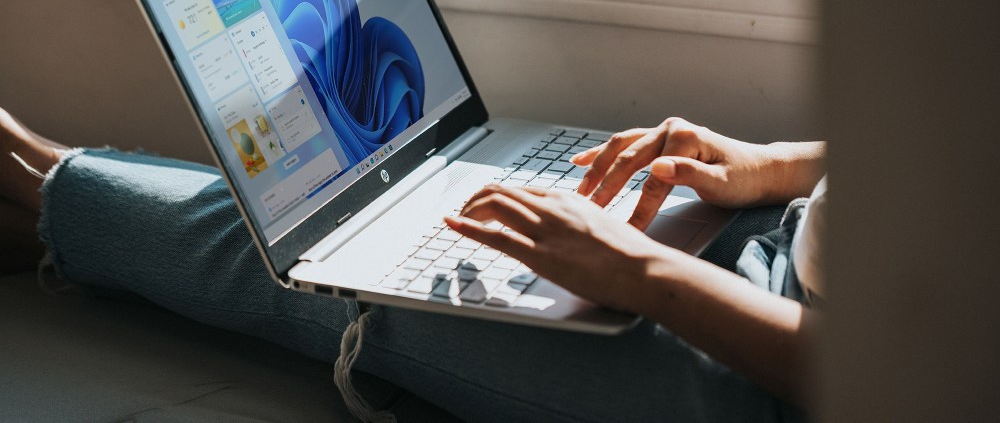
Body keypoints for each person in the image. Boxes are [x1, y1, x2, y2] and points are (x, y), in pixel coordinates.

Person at [0, 107, 825, 422]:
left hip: (762, 374)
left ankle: (28, 175)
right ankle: (50, 195)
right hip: (776, 236)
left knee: (325, 262)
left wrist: (643, 274)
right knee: (358, 213)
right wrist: (778, 166)